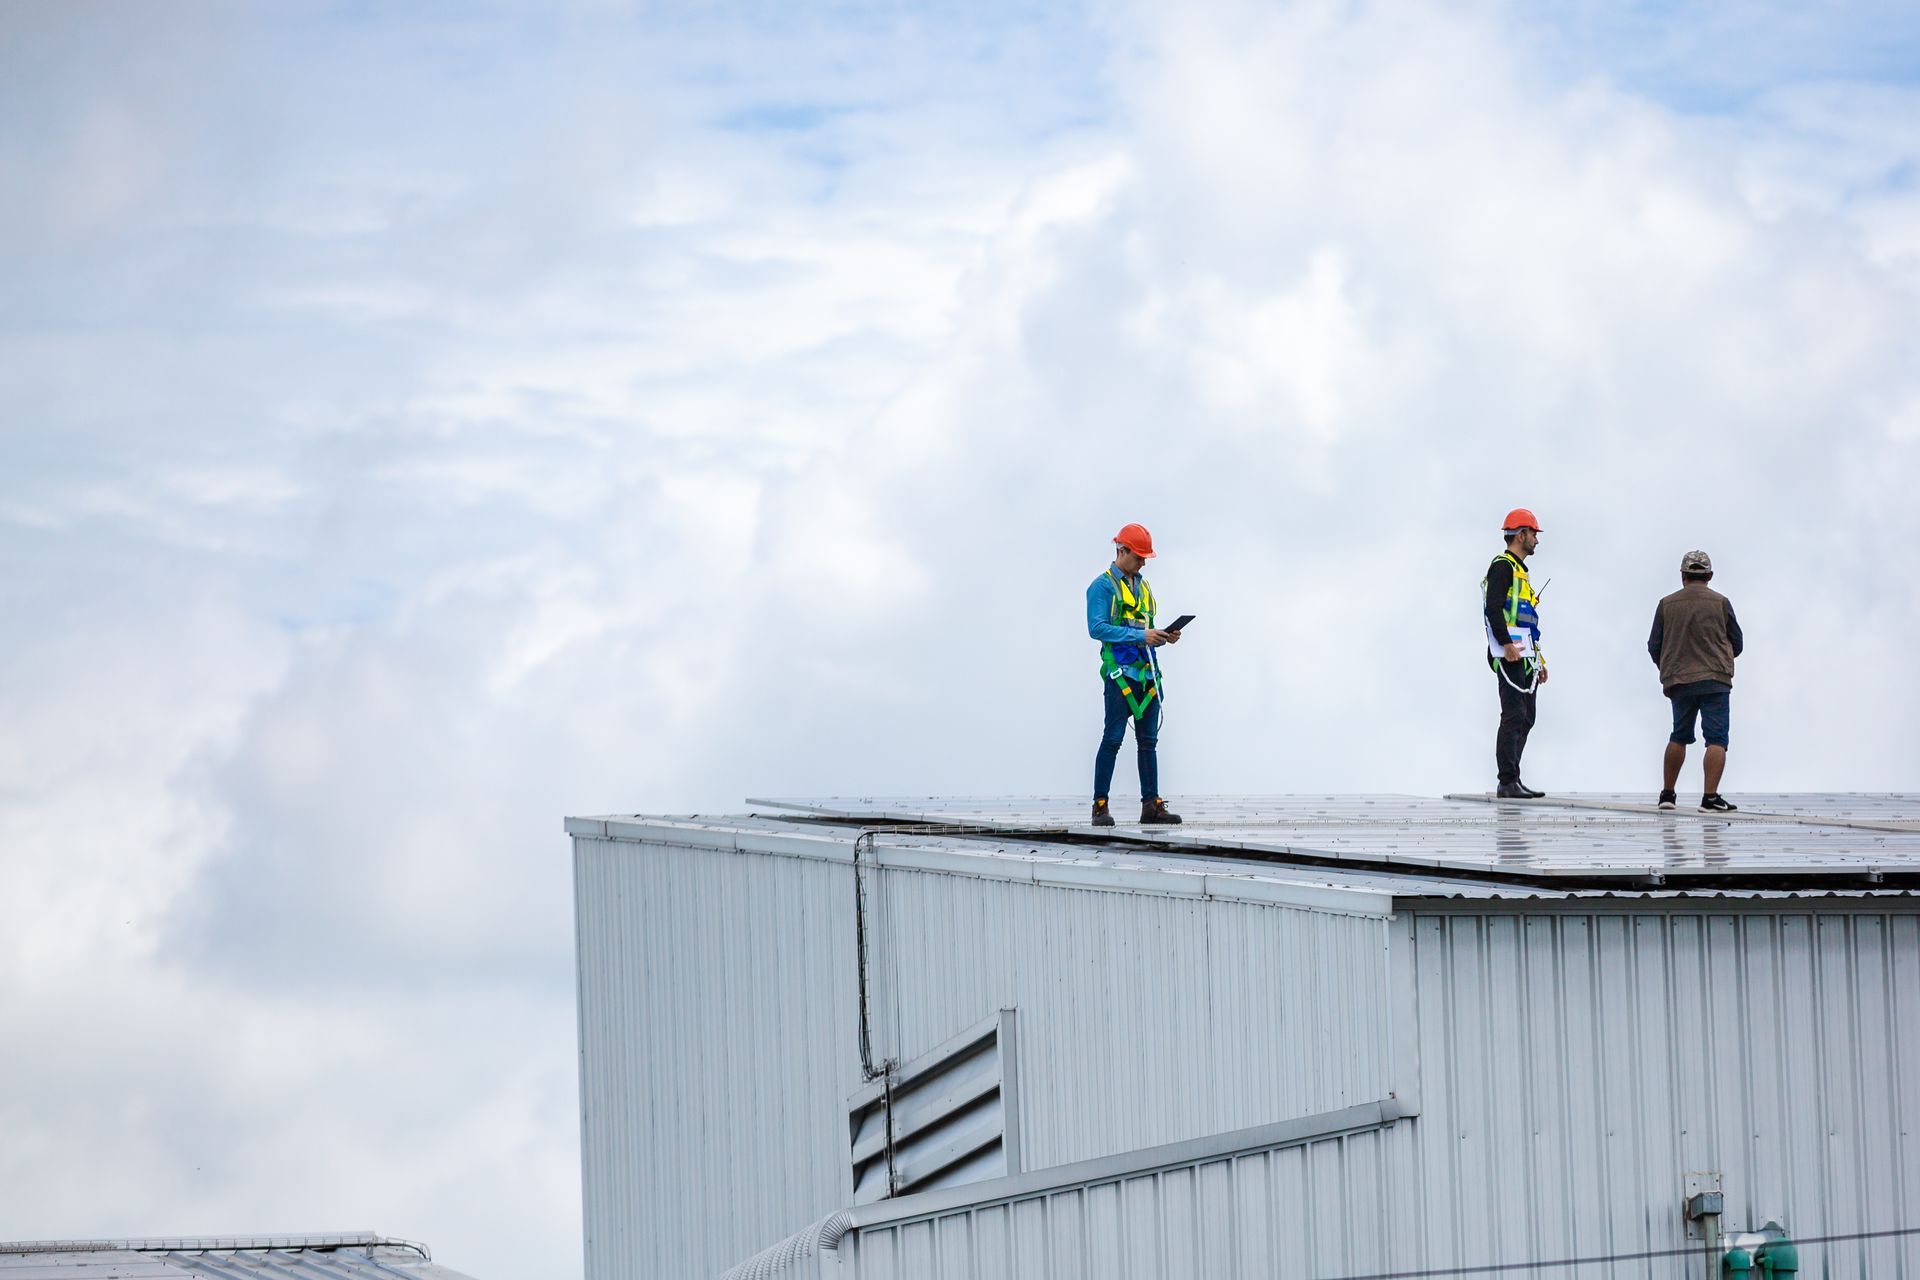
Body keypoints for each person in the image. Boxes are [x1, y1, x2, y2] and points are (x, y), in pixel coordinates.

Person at [1087, 523, 1182, 826]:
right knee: (1112, 739)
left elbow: (1144, 626)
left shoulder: (1143, 587)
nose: (1143, 562)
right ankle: (1100, 806)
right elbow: (1097, 628)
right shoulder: (1101, 587)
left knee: (1148, 742)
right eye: (1139, 556)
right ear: (1122, 551)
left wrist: (1163, 636)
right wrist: (1143, 636)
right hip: (1120, 676)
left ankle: (1150, 805)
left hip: (1147, 676)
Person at [1648, 550, 1745, 812]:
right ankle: (1710, 798)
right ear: (1709, 576)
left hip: (1679, 681)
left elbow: (1653, 645)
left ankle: (1667, 795)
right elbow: (1738, 642)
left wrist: (1669, 667)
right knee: (1716, 740)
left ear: (1683, 576)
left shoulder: (1666, 604)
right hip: (1715, 679)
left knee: (1678, 735)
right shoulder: (1721, 602)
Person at [1483, 509, 1548, 799]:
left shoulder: (1521, 571)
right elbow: (1493, 608)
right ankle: (1506, 781)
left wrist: (1540, 660)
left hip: (1525, 654)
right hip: (1508, 652)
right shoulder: (1503, 566)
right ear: (1520, 534)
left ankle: (1515, 778)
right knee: (1513, 714)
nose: (1536, 539)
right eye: (1533, 534)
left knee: (1527, 717)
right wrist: (1505, 644)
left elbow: (1526, 620)